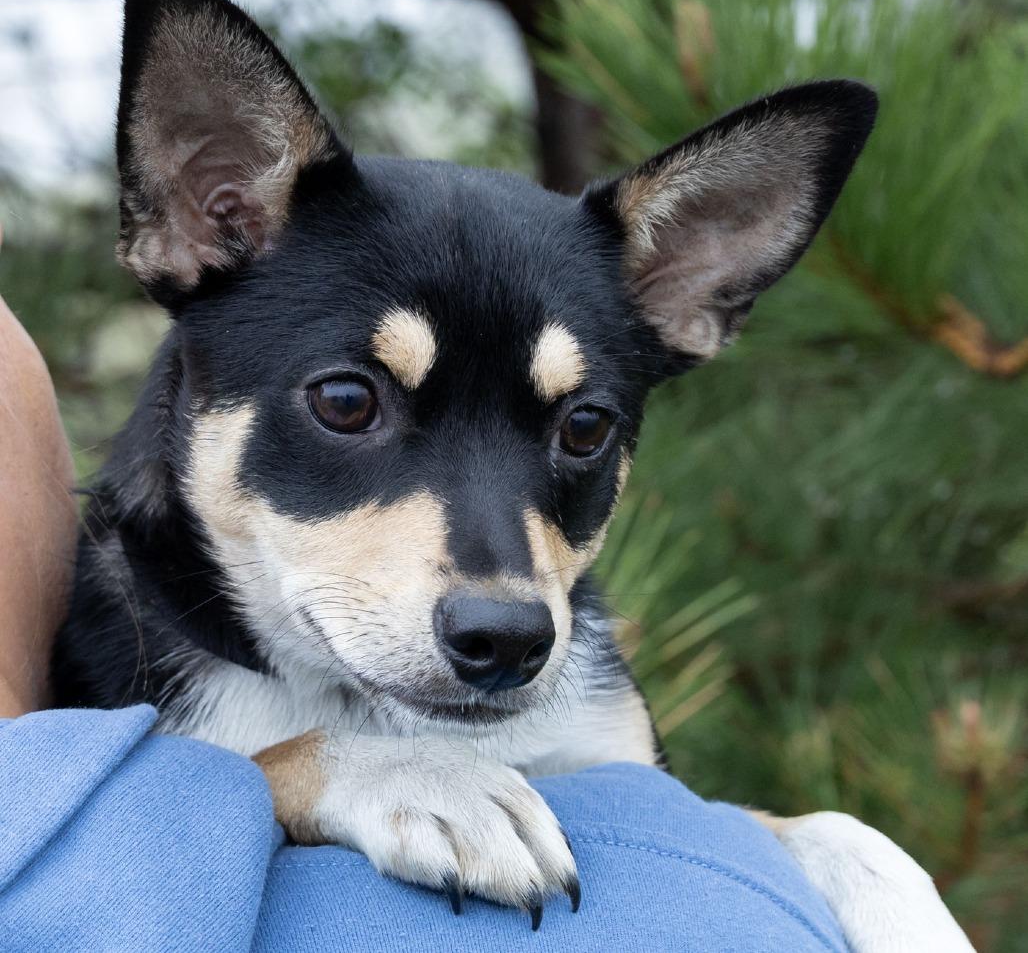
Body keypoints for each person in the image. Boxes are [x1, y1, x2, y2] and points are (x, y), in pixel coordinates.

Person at [0, 261, 847, 951]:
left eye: (581, 431)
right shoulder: (108, 676)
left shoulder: (576, 686)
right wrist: (311, 773)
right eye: (349, 404)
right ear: (208, 216)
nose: (503, 602)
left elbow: (693, 846)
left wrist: (830, 852)